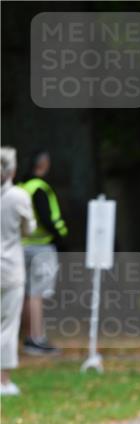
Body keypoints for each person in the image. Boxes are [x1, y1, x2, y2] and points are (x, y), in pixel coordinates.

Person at [19, 150, 68, 356]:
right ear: (44, 164)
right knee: (36, 294)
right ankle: (35, 338)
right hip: (41, 247)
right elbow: (47, 219)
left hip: (21, 246)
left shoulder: (22, 188)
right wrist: (60, 237)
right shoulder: (40, 188)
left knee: (25, 293)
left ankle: (26, 336)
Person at [1, 147, 36, 395]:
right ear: (13, 169)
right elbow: (29, 229)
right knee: (7, 325)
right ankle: (3, 380)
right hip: (9, 267)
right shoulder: (19, 196)